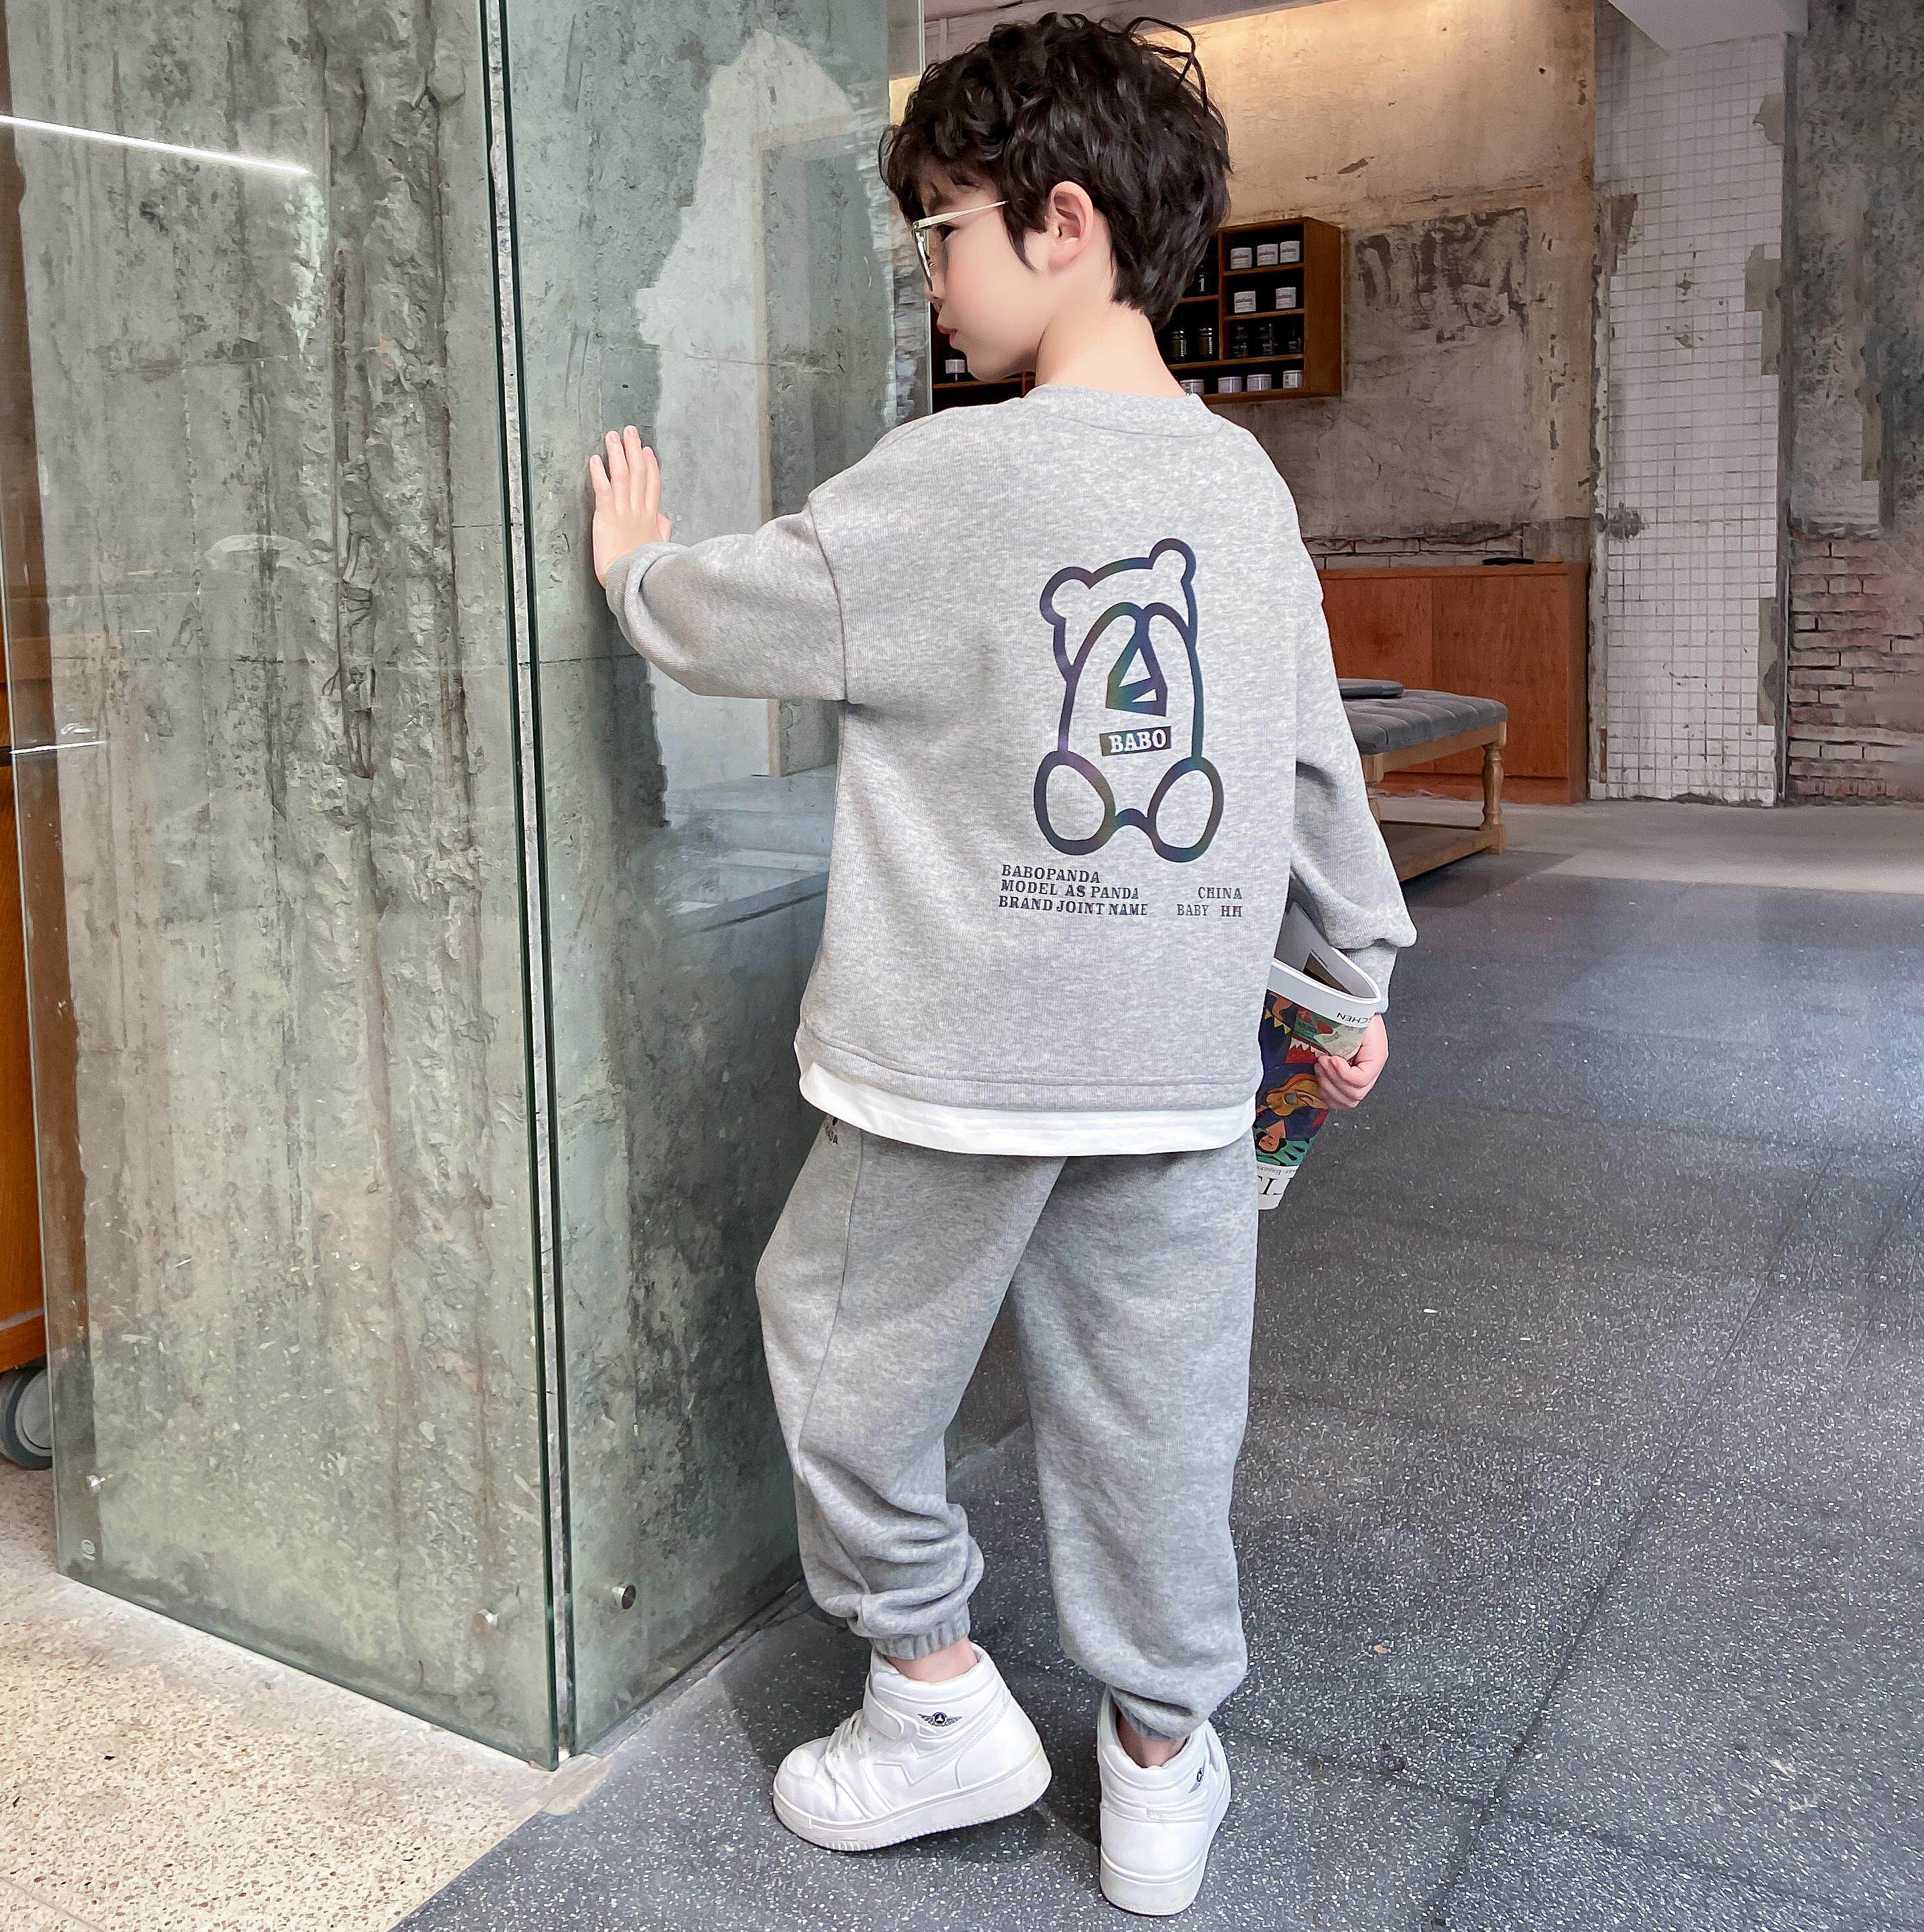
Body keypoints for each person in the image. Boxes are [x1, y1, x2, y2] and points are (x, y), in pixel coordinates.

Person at [587, 11, 1414, 1914]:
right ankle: (1157, 1766)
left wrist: (636, 569)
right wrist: (1351, 977)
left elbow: (747, 613)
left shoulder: (946, 478)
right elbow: (1306, 764)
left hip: (951, 1061)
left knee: (842, 1348)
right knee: (1156, 1411)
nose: (930, 279)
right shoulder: (1241, 490)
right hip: (1178, 1060)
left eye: (940, 233)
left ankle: (934, 1686)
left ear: (1060, 222)